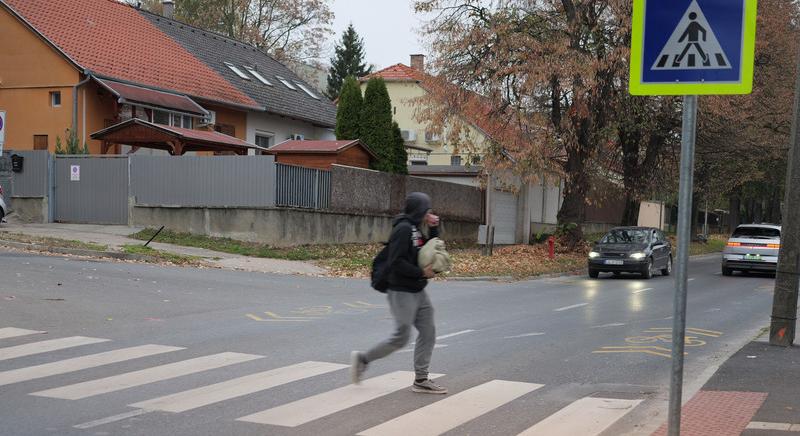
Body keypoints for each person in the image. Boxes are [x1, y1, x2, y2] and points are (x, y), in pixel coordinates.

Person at [350, 192, 447, 394]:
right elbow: (396, 262)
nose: (428, 212)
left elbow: (431, 248)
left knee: (428, 332)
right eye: (426, 209)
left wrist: (433, 227)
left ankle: (421, 379)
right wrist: (421, 272)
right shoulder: (403, 229)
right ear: (419, 210)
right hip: (401, 291)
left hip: (418, 290)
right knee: (401, 338)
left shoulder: (416, 228)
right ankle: (363, 359)